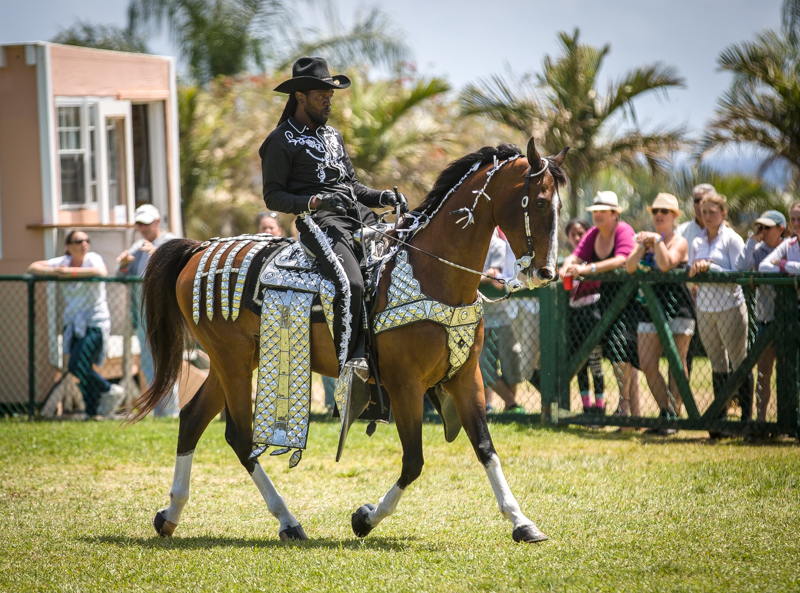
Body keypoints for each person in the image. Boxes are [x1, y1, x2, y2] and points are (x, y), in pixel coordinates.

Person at [259, 56, 407, 391]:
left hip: (358, 216)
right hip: (319, 224)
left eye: (331, 94)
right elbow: (273, 197)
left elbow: (353, 186)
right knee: (352, 282)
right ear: (300, 97)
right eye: (321, 94)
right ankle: (352, 360)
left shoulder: (334, 136)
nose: (329, 100)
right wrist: (314, 201)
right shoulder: (280, 141)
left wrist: (383, 197)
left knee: (399, 268)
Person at [560, 191, 642, 419]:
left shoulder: (623, 230)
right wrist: (566, 267)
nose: (597, 215)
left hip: (627, 301)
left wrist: (588, 269)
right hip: (605, 302)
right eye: (595, 211)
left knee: (623, 354)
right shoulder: (593, 234)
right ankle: (627, 413)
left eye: (602, 211)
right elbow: (576, 256)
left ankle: (628, 410)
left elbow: (623, 259)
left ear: (615, 214)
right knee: (617, 355)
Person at [28, 230, 123, 419]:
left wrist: (70, 273)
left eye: (87, 240)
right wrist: (54, 271)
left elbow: (100, 271)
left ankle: (110, 389)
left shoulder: (93, 259)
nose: (84, 244)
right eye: (79, 241)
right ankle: (92, 411)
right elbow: (32, 267)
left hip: (95, 322)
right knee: (80, 367)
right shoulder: (62, 262)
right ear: (68, 246)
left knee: (76, 365)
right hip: (72, 323)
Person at [625, 193, 694, 434]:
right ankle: (666, 412)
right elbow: (630, 267)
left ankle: (674, 416)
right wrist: (642, 246)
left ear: (675, 216)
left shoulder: (680, 241)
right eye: (655, 211)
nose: (659, 215)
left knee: (677, 362)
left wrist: (656, 242)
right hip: (650, 307)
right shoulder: (648, 240)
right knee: (647, 363)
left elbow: (666, 264)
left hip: (678, 307)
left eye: (664, 211)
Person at [687, 193, 751, 423]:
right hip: (704, 308)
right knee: (717, 362)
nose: (707, 216)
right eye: (704, 212)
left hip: (730, 306)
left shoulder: (732, 239)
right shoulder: (697, 241)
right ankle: (720, 416)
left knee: (738, 360)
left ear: (724, 213)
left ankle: (747, 417)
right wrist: (695, 271)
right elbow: (690, 274)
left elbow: (740, 272)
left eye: (712, 212)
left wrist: (711, 268)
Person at [117, 204, 178, 417]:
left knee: (165, 361)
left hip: (165, 314)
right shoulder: (138, 246)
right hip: (143, 316)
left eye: (147, 223)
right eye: (139, 224)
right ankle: (160, 411)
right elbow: (122, 276)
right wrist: (124, 265)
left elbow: (180, 272)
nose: (143, 228)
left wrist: (159, 255)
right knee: (148, 362)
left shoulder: (170, 242)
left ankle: (169, 412)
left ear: (158, 221)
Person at [758, 204, 800, 424]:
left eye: (799, 218)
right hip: (784, 316)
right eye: (793, 219)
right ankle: (763, 422)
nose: (796, 224)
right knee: (767, 372)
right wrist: (789, 266)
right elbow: (764, 267)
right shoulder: (788, 245)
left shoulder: (785, 252)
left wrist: (783, 265)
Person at [479, 228, 525, 413]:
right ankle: (513, 404)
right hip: (478, 317)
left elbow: (494, 275)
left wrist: (474, 278)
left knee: (511, 365)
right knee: (483, 368)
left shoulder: (497, 244)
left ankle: (509, 407)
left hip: (504, 317)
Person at [564, 218, 606, 415]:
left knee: (595, 359)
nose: (577, 237)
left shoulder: (593, 259)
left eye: (581, 233)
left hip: (591, 311)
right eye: (572, 234)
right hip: (575, 313)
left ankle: (600, 404)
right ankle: (586, 405)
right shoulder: (569, 262)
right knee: (579, 362)